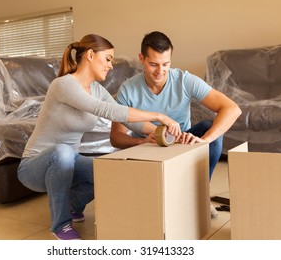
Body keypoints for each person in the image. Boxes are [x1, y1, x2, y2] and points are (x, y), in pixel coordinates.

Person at [17, 34, 181, 240]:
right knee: (63, 152)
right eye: (108, 59)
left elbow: (126, 118)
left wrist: (160, 131)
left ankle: (72, 206)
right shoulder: (63, 85)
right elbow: (105, 110)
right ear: (91, 55)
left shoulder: (96, 90)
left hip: (69, 161)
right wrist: (158, 115)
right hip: (33, 167)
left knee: (109, 172)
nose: (111, 65)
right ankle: (61, 224)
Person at [110, 31, 241, 218]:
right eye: (153, 64)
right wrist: (143, 142)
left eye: (166, 64)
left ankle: (201, 195)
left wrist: (204, 141)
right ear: (142, 59)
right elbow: (116, 138)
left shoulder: (184, 80)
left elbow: (232, 108)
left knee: (208, 126)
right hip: (146, 150)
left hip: (181, 144)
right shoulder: (128, 90)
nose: (160, 71)